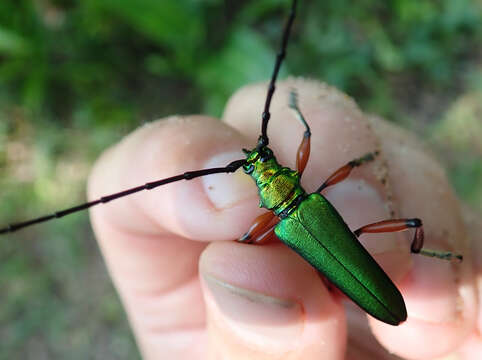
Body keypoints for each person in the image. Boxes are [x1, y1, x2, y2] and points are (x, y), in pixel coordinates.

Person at [88, 79, 481, 359]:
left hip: (361, 292)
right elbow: (306, 134)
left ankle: (426, 255)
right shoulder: (308, 204)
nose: (261, 162)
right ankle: (424, 252)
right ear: (283, 171)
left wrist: (242, 240)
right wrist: (298, 114)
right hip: (363, 286)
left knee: (378, 217)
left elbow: (250, 232)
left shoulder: (277, 226)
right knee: (407, 223)